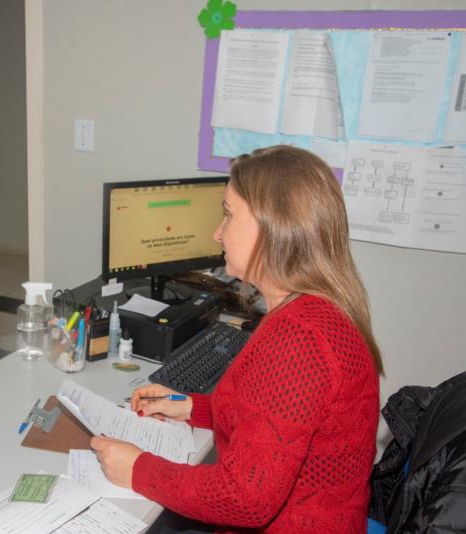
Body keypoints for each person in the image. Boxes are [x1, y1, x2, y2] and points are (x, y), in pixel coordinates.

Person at [91, 146, 383, 533]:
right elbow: (279, 423)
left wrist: (138, 469)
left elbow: (245, 499)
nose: (217, 232)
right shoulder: (312, 311)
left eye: (228, 214)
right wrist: (191, 408)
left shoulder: (299, 340)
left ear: (272, 226)